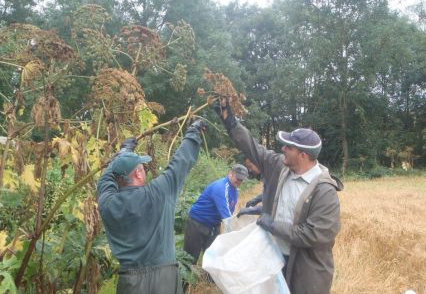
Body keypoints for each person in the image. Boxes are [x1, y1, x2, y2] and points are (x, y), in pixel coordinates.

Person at [215, 101, 344, 294]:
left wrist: (272, 224)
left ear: (302, 155)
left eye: (289, 147)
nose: (283, 148)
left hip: (305, 270)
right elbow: (253, 148)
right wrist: (231, 122)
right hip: (272, 259)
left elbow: (312, 235)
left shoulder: (325, 192)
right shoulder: (280, 167)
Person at [97, 119, 207, 294]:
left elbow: (105, 179)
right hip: (165, 280)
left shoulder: (107, 204)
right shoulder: (158, 194)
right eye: (142, 167)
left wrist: (123, 154)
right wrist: (194, 132)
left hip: (130, 283)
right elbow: (180, 163)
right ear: (139, 174)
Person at [183, 163, 249, 263]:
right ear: (231, 173)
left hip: (213, 226)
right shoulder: (221, 188)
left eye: (242, 180)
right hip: (198, 223)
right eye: (238, 178)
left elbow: (230, 213)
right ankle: (185, 278)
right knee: (190, 258)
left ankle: (208, 277)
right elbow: (227, 219)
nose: (239, 181)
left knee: (213, 258)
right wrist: (231, 241)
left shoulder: (234, 190)